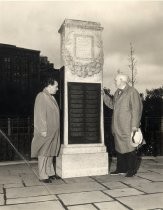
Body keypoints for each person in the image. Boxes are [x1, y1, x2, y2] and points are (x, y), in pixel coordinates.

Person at [103, 73, 143, 177]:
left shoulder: (132, 92)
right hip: (117, 126)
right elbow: (112, 105)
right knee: (119, 148)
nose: (114, 82)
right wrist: (104, 96)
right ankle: (121, 169)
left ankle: (131, 170)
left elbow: (136, 109)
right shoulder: (117, 92)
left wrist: (134, 126)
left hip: (128, 126)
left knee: (130, 148)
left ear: (122, 81)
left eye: (116, 80)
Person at [31, 74, 60, 183]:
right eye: (56, 86)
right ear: (49, 85)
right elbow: (39, 114)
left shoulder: (51, 97)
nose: (57, 88)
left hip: (54, 131)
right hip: (46, 131)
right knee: (43, 152)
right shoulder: (41, 96)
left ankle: (50, 173)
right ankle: (43, 175)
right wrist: (42, 130)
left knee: (51, 152)